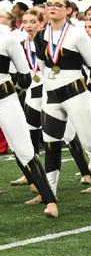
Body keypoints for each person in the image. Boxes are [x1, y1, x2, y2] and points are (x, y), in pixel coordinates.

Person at [35, 0, 91, 202]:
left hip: (76, 93)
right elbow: (42, 68)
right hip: (52, 94)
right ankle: (49, 194)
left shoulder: (78, 35)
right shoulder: (40, 36)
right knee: (51, 144)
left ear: (68, 10)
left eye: (58, 5)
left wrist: (84, 90)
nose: (53, 8)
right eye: (49, 5)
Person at [1, 13, 57, 216]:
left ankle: (50, 200)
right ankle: (50, 201)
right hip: (6, 96)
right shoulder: (7, 39)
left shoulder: (8, 39)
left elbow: (25, 78)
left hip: (5, 100)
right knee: (24, 150)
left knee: (24, 149)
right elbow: (23, 78)